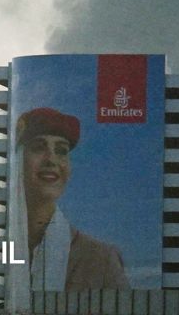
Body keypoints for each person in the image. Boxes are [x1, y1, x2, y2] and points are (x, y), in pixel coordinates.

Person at [16, 107, 129, 291]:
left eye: (61, 151)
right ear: (17, 160)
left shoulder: (101, 258)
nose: (51, 160)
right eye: (38, 147)